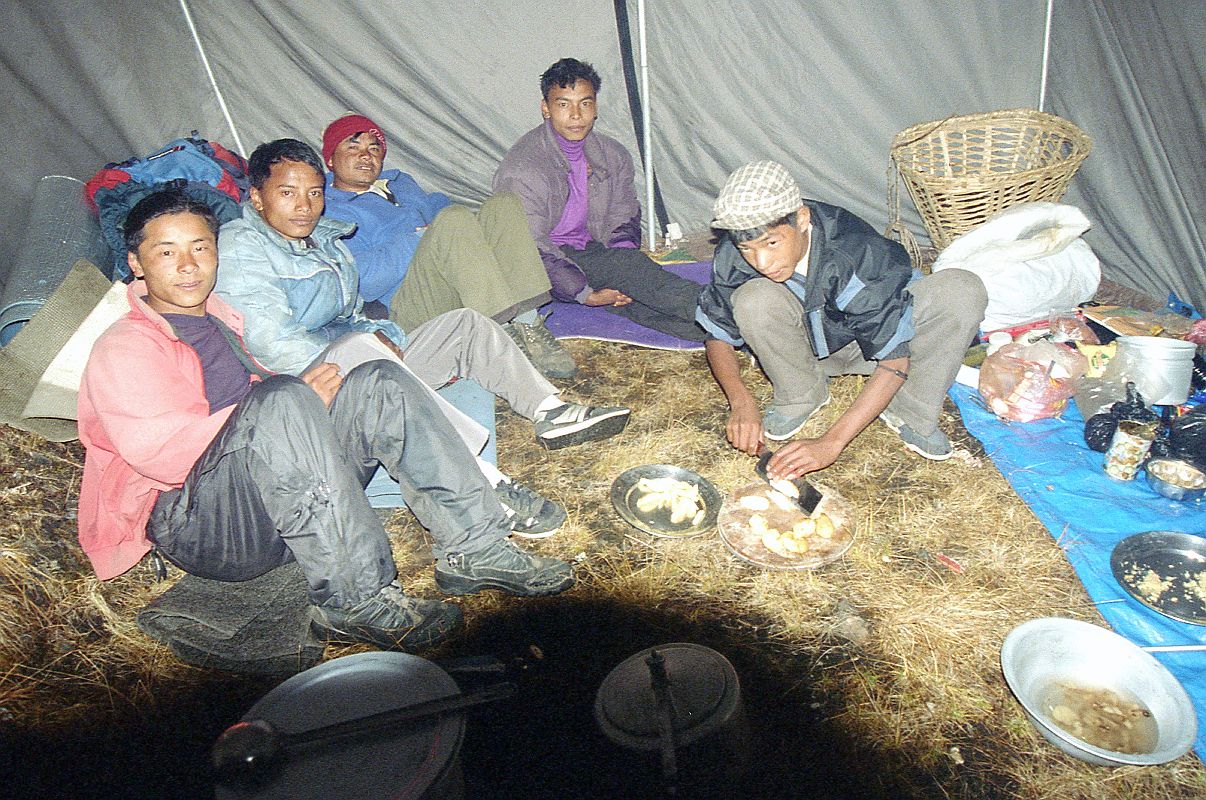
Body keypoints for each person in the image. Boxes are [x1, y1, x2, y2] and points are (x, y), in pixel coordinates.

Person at [76, 190, 577, 653]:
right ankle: (353, 597)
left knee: (378, 379)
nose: (188, 266)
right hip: (204, 527)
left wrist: (306, 402)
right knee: (285, 395)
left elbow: (260, 406)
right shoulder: (126, 346)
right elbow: (161, 453)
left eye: (201, 248)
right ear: (136, 263)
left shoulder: (218, 316)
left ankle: (474, 545)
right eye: (167, 252)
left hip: (274, 496)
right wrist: (290, 405)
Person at [214, 139, 632, 534]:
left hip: (363, 365)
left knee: (464, 324)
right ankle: (476, 480)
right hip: (308, 389)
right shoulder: (242, 247)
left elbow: (355, 315)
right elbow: (272, 345)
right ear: (256, 196)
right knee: (361, 348)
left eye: (314, 194)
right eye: (288, 193)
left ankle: (549, 410)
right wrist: (364, 352)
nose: (305, 206)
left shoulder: (325, 240)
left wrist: (383, 336)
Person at [697, 160, 987, 479]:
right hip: (810, 347)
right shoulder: (737, 248)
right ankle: (801, 394)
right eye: (748, 248)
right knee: (753, 298)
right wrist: (740, 401)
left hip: (878, 348)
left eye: (772, 243)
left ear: (802, 218)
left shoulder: (856, 253)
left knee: (962, 289)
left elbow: (895, 361)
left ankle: (909, 409)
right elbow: (717, 333)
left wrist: (831, 442)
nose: (762, 261)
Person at [320, 113, 577, 379]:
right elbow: (365, 281)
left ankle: (527, 322)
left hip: (453, 278)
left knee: (502, 205)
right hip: (409, 307)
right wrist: (422, 237)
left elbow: (438, 205)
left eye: (374, 148)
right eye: (353, 147)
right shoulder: (330, 211)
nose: (366, 155)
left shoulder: (398, 183)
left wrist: (470, 231)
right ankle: (500, 334)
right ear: (330, 159)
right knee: (453, 221)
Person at [493, 57, 706, 343]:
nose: (576, 115)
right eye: (563, 104)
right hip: (542, 266)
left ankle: (719, 334)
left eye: (585, 103)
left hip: (593, 251)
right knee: (633, 274)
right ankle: (722, 312)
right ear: (546, 108)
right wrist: (583, 293)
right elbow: (527, 244)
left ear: (595, 107)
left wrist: (623, 254)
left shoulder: (611, 154)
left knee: (635, 295)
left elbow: (623, 211)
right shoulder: (523, 168)